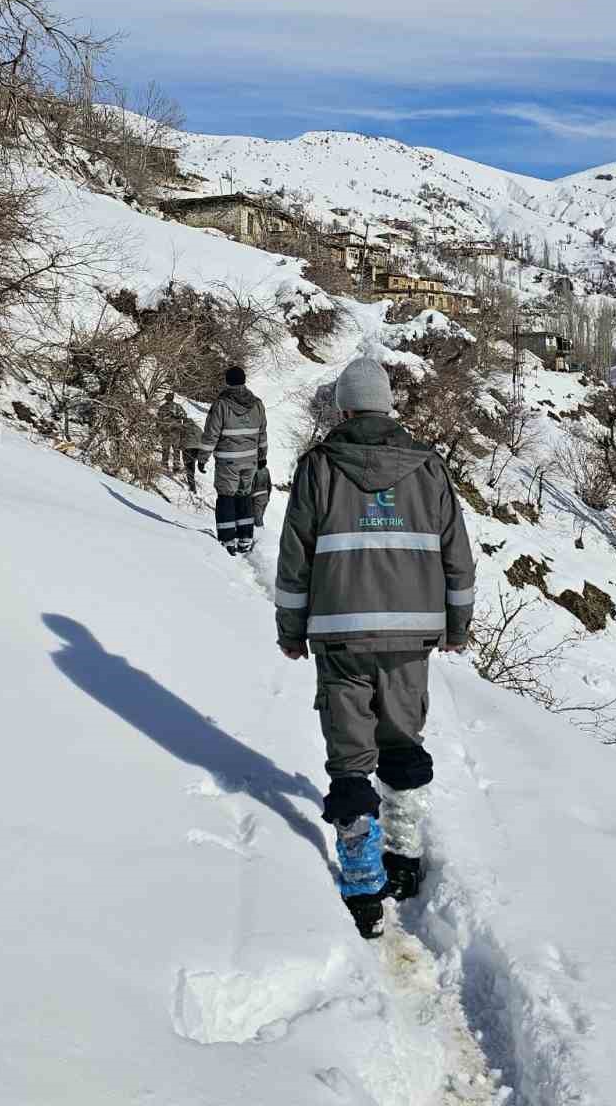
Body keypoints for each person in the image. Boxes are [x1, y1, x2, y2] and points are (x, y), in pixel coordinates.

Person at [274, 356, 475, 939]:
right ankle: (404, 858)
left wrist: (291, 632)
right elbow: (456, 556)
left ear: (343, 408)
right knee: (402, 742)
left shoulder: (317, 469)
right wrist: (456, 626)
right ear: (388, 407)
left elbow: (295, 561)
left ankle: (362, 879)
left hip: (339, 636)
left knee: (350, 754)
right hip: (410, 638)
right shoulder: (430, 469)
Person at [200, 367, 268, 555]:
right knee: (244, 496)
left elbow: (211, 434)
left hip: (228, 461)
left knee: (226, 497)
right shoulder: (257, 404)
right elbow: (262, 433)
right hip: (250, 460)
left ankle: (228, 540)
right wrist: (262, 456)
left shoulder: (221, 404)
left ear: (227, 381)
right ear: (244, 380)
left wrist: (202, 457)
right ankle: (245, 538)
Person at [157, 393, 183, 471]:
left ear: (166, 398)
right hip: (176, 431)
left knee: (165, 448)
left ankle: (164, 464)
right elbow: (184, 416)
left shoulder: (162, 408)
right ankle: (176, 465)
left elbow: (158, 420)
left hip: (165, 431)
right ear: (173, 398)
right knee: (176, 449)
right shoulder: (178, 407)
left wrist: (158, 431)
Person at [251, 464, 272, 529]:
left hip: (256, 497)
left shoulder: (253, 469)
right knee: (260, 518)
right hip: (265, 497)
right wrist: (268, 497)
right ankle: (261, 535)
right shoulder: (266, 469)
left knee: (257, 521)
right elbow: (269, 485)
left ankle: (261, 536)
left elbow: (251, 486)